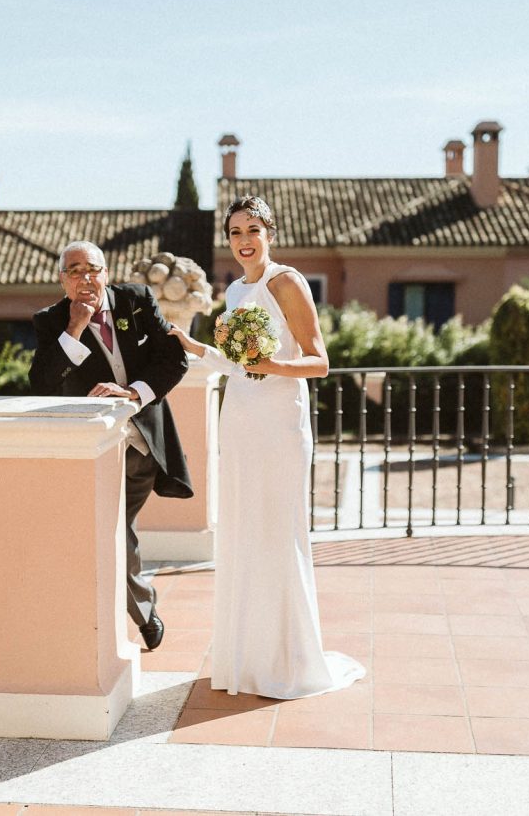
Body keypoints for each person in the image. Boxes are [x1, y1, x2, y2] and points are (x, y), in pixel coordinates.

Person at [169, 196, 365, 699]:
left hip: (279, 424)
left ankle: (289, 659)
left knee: (277, 532)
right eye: (235, 232)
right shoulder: (234, 290)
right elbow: (239, 366)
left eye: (252, 229)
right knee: (244, 531)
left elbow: (319, 362)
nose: (244, 240)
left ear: (270, 233)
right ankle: (248, 660)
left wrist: (269, 366)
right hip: (239, 419)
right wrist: (200, 351)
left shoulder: (286, 281)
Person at [28, 240, 192, 650]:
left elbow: (174, 360)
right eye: (76, 270)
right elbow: (42, 384)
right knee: (109, 528)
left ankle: (137, 612)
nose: (86, 278)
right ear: (62, 280)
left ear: (106, 273)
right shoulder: (50, 322)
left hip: (143, 444)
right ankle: (144, 612)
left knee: (109, 527)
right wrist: (75, 329)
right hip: (93, 449)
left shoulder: (136, 300)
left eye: (93, 269)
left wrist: (132, 392)